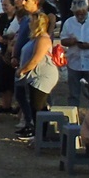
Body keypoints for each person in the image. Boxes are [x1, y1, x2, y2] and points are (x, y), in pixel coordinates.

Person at [13, 9, 58, 140]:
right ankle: (37, 132)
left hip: (43, 75)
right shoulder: (35, 38)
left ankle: (40, 135)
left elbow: (35, 59)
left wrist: (22, 70)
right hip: (34, 75)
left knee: (38, 106)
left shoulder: (43, 39)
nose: (29, 23)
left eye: (31, 21)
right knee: (32, 104)